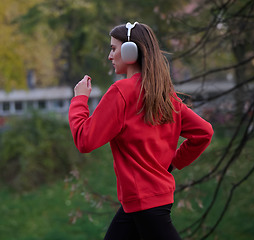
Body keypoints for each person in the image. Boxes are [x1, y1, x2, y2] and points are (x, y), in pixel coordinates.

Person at [68, 22, 213, 240]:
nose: (110, 56)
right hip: (144, 200)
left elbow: (84, 140)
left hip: (144, 202)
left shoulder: (121, 92)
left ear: (130, 52)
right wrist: (173, 163)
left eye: (113, 49)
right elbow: (205, 132)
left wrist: (80, 99)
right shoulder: (164, 95)